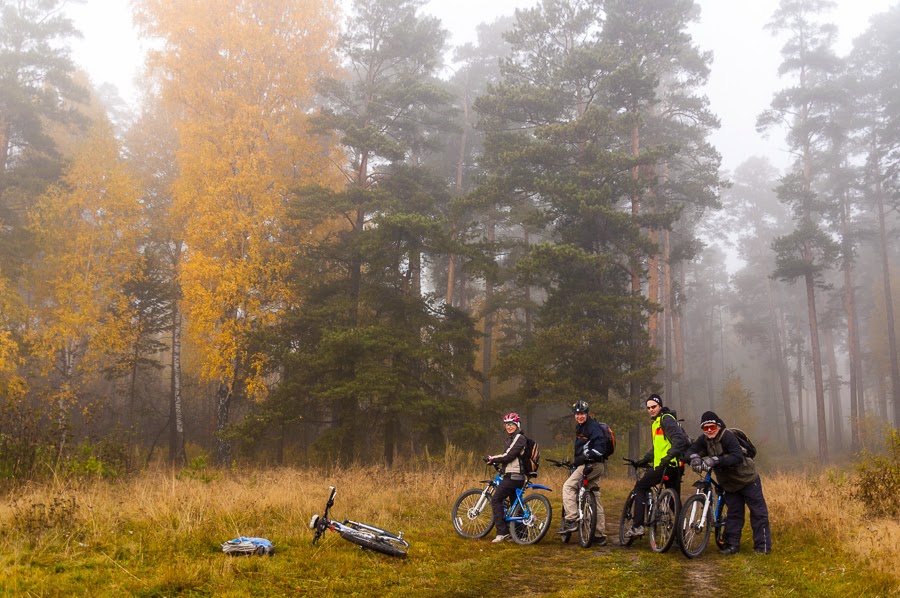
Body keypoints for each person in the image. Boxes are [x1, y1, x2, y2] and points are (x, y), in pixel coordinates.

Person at [687, 411, 772, 555]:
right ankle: (732, 546)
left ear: (718, 426)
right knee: (734, 514)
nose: (709, 430)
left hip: (748, 480)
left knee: (758, 513)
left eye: (712, 427)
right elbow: (690, 450)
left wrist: (716, 460)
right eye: (705, 428)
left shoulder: (728, 437)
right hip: (729, 484)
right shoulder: (704, 439)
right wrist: (694, 457)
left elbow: (737, 457)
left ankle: (762, 547)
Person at [623, 393, 689, 539]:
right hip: (675, 466)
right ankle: (680, 535)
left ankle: (638, 526)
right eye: (648, 408)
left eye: (654, 407)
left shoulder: (666, 419)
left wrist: (669, 456)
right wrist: (644, 460)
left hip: (667, 465)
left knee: (640, 487)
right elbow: (658, 448)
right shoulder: (657, 422)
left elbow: (680, 440)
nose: (651, 410)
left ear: (660, 406)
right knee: (674, 501)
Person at [557, 400, 608, 544]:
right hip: (594, 465)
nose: (579, 416)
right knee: (595, 496)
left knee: (568, 486)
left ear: (587, 414)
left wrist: (585, 458)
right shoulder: (581, 427)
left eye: (582, 413)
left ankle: (571, 519)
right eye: (577, 414)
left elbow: (600, 447)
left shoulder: (592, 427)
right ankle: (599, 535)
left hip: (591, 465)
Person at [484, 412, 529, 543]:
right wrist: (499, 463)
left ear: (517, 425)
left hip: (514, 477)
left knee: (496, 500)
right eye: (507, 425)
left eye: (511, 424)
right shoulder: (512, 438)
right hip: (516, 475)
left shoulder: (519, 438)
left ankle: (502, 532)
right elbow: (509, 457)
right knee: (516, 505)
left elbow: (509, 455)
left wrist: (492, 458)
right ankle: (521, 535)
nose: (509, 427)